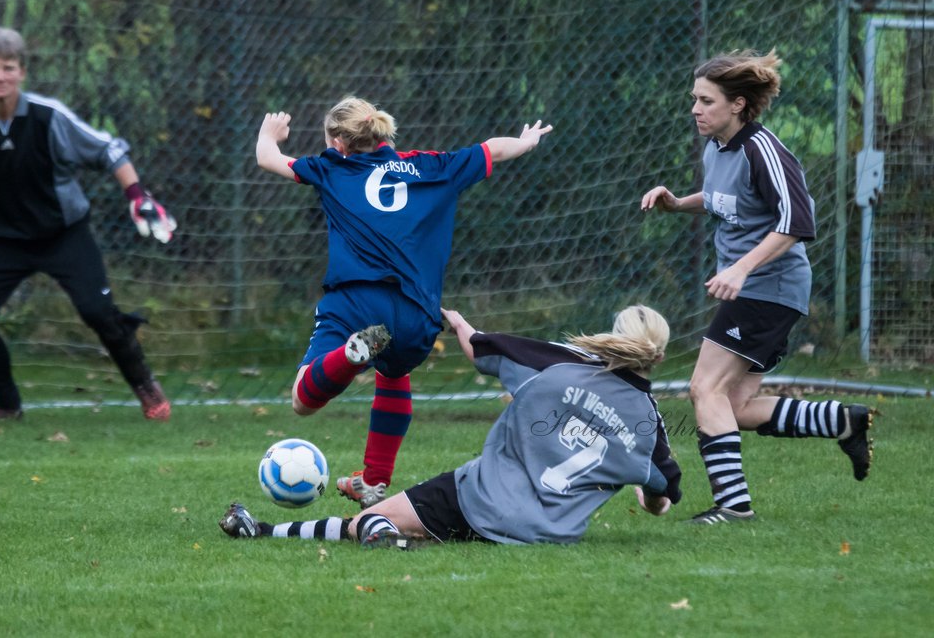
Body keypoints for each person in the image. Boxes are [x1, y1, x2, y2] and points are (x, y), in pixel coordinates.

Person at [255, 98, 552, 508]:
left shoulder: (332, 167)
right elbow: (492, 149)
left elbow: (269, 159)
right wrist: (525, 142)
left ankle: (350, 354)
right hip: (418, 316)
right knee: (393, 372)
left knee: (303, 401)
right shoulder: (432, 165)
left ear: (339, 142)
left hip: (356, 301)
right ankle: (374, 481)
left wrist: (269, 134)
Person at [220, 304, 681, 547]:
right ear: (658, 357)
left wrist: (460, 323)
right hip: (548, 532)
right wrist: (643, 491)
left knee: (367, 521)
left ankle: (261, 531)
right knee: (407, 522)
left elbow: (481, 349)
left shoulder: (560, 364)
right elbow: (662, 497)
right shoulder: (651, 428)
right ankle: (404, 534)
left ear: (611, 337)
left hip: (479, 499)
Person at [639, 48, 874, 525]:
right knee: (736, 404)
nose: (695, 110)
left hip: (770, 286)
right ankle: (843, 419)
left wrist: (741, 269)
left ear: (738, 105)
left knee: (704, 388)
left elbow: (796, 222)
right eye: (694, 99)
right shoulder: (717, 148)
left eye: (706, 101)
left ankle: (734, 506)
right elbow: (725, 199)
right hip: (754, 288)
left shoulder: (764, 149)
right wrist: (678, 202)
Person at [0, 26, 177, 424]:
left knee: (99, 312)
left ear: (22, 72)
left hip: (64, 234)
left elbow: (108, 149)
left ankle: (145, 387)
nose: (0, 76)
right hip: (3, 241)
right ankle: (6, 405)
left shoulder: (50, 117)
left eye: (8, 68)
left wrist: (137, 195)